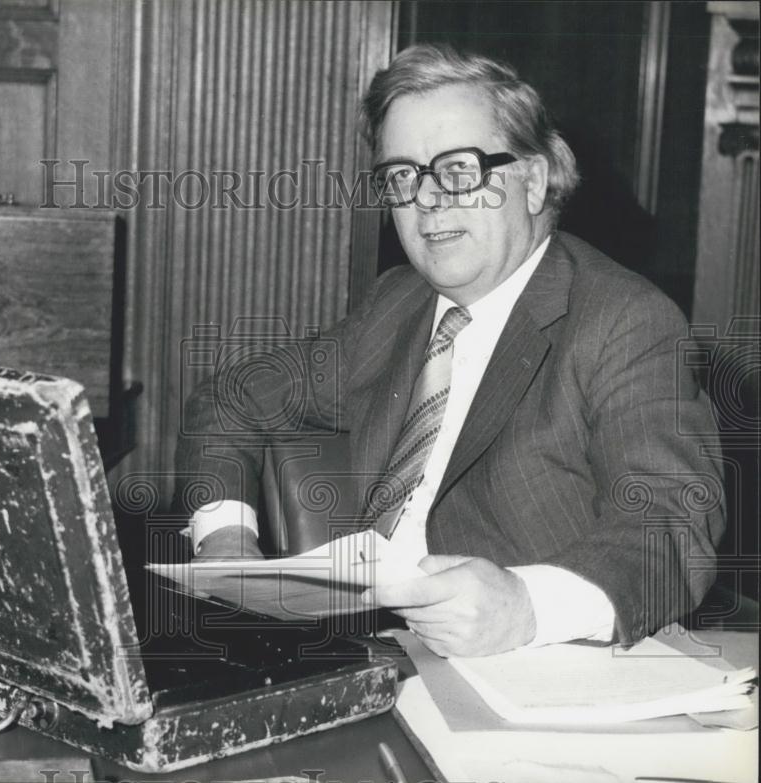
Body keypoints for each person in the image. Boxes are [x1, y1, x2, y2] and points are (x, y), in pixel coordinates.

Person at [174, 44, 724, 657]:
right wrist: (225, 543)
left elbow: (672, 524)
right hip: (357, 650)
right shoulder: (397, 305)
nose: (427, 200)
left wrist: (525, 606)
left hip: (532, 668)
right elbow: (231, 398)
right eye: (402, 176)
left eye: (459, 170)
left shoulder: (624, 320)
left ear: (533, 181)